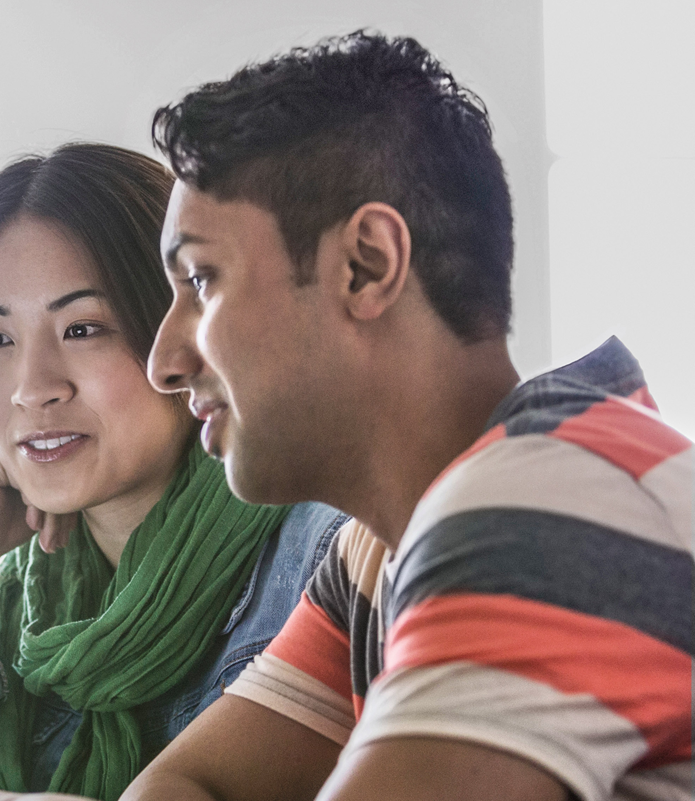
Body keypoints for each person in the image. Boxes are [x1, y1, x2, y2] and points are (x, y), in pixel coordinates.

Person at [118, 31, 692, 801]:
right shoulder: (373, 553)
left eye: (201, 279)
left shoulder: (542, 506)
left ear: (367, 265)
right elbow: (186, 785)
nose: (163, 360)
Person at [0, 143, 350, 801]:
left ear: (181, 338)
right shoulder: (18, 614)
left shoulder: (323, 556)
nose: (31, 387)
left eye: (83, 328)